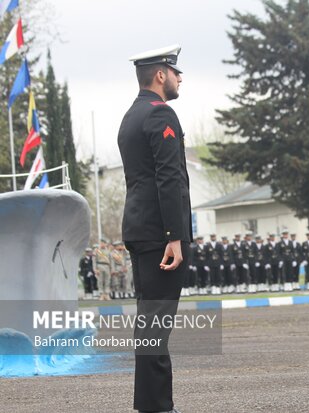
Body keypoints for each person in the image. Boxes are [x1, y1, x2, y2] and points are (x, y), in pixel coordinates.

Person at [118, 44, 190, 413]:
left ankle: (150, 405)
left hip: (139, 229)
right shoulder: (161, 114)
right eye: (176, 71)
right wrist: (174, 237)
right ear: (160, 75)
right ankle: (159, 407)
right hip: (159, 236)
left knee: (149, 324)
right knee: (155, 326)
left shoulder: (131, 115)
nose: (180, 78)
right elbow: (168, 178)